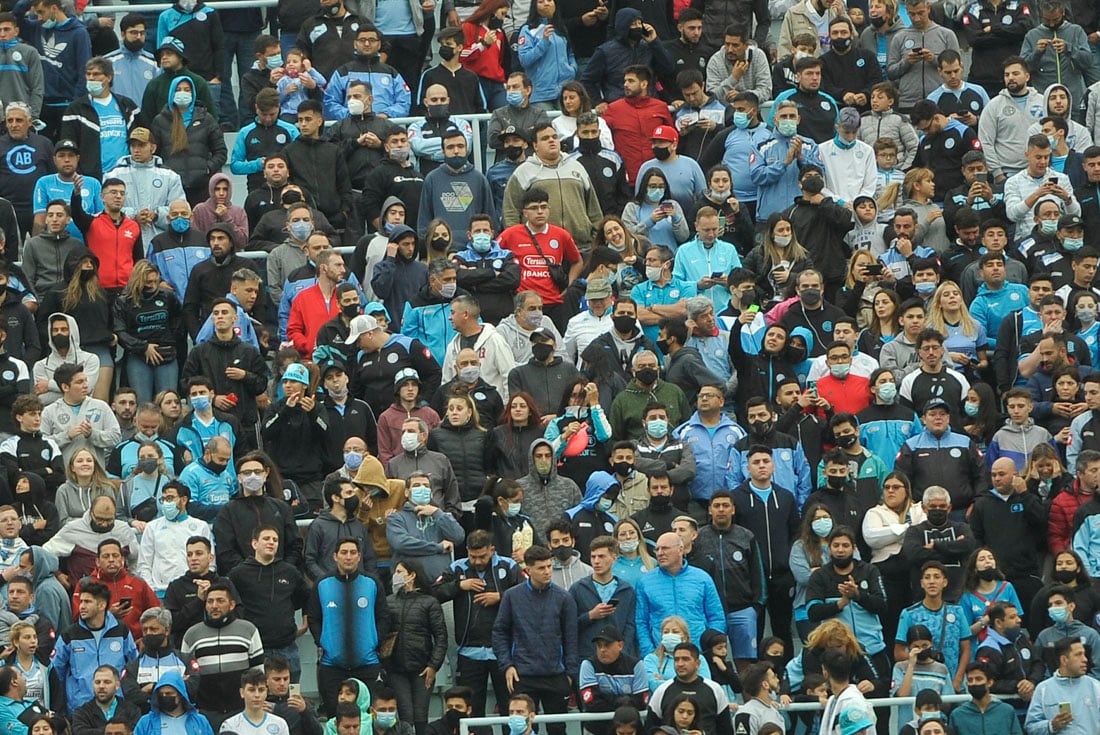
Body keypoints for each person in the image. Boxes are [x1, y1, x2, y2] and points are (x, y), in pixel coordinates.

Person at [491, 546, 577, 735]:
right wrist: (507, 665)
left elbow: (571, 638)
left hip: (556, 675)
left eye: (549, 566)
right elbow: (499, 632)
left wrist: (569, 673)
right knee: (524, 730)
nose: (547, 571)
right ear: (528, 570)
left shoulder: (564, 598)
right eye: (541, 568)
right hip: (523, 674)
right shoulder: (512, 596)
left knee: (557, 729)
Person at [228, 526, 310, 681]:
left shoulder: (289, 572)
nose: (271, 542)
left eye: (275, 540)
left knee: (291, 699)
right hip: (255, 650)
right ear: (254, 543)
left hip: (287, 648)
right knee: (259, 699)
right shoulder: (239, 574)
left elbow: (307, 597)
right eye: (266, 538)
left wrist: (305, 622)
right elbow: (229, 603)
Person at [53, 580, 138, 715]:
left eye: (87, 602)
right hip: (81, 709)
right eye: (81, 601)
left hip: (117, 708)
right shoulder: (69, 635)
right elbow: (56, 673)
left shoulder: (121, 631)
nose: (81, 606)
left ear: (101, 605)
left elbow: (134, 665)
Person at [70, 537, 160, 641]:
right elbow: (78, 619)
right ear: (98, 562)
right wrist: (108, 616)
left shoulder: (138, 583)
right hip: (98, 643)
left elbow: (156, 613)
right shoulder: (85, 584)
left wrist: (146, 639)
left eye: (115, 555)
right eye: (106, 556)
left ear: (122, 560)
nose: (111, 560)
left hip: (135, 644)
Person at [645, 643, 732, 735]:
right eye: (676, 659)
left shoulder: (715, 689)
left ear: (697, 663)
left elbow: (725, 729)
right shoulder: (662, 690)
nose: (680, 664)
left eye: (685, 659)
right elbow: (650, 728)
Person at [1024, 636, 1100, 735]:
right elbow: (1030, 727)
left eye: (1084, 654)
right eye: (1078, 655)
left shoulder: (1096, 687)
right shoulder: (1043, 689)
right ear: (1064, 660)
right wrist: (1051, 725)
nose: (1085, 659)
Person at [132, 671, 215, 735]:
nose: (164, 696)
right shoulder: (146, 722)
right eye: (161, 694)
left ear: (180, 694)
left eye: (169, 693)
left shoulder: (199, 721)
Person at [72, 664, 142, 734]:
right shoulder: (82, 713)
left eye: (107, 682)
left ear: (117, 685)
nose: (101, 686)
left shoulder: (132, 710)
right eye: (97, 682)